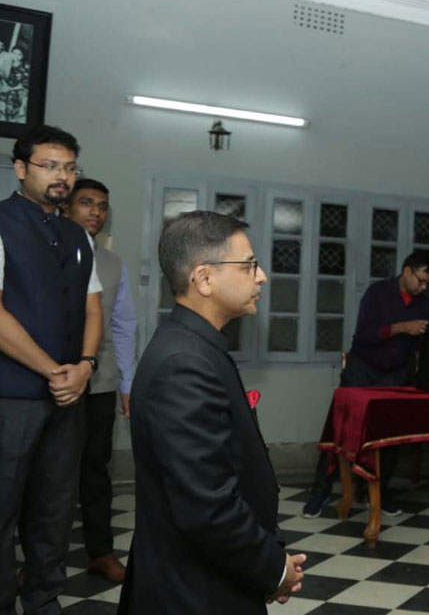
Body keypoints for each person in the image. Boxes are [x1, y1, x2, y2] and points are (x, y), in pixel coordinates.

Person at [117, 211, 305, 614]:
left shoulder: (196, 346)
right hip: (193, 590)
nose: (261, 277)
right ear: (203, 278)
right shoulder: (184, 364)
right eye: (249, 265)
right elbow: (206, 506)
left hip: (211, 575)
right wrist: (273, 569)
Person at [0, 125, 101, 615]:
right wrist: (53, 371)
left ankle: (43, 600)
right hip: (12, 397)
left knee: (55, 509)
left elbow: (93, 308)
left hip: (70, 396)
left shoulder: (78, 235)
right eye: (51, 166)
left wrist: (85, 366)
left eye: (70, 168)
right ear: (21, 169)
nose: (63, 176)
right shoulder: (2, 223)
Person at [301, 251, 429, 518]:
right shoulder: (378, 293)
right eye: (420, 281)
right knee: (339, 433)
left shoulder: (425, 305)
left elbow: (425, 343)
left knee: (388, 437)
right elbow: (364, 335)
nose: (423, 287)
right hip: (362, 371)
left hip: (395, 376)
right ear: (407, 271)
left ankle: (378, 493)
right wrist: (401, 328)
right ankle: (320, 492)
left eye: (428, 284)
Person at [61, 178, 136, 584]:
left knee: (95, 471)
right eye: (86, 203)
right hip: (51, 381)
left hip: (100, 383)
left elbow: (123, 325)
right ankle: (38, 562)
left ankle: (100, 553)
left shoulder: (112, 264)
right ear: (67, 207)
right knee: (46, 473)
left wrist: (127, 383)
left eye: (102, 206)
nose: (96, 212)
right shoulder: (47, 252)